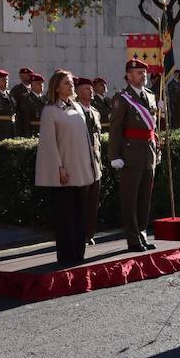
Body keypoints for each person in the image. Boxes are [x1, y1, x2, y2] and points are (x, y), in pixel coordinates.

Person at [36, 71, 102, 266]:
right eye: (66, 83)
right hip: (64, 171)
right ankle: (65, 256)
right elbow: (49, 144)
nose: (71, 86)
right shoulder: (50, 111)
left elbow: (87, 139)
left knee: (80, 214)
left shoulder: (78, 108)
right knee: (65, 215)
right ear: (56, 87)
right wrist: (59, 167)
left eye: (71, 83)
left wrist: (92, 164)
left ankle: (78, 254)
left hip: (82, 169)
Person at [108, 59, 160, 252]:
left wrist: (157, 148)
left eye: (144, 73)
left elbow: (152, 128)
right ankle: (133, 238)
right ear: (128, 76)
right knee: (130, 199)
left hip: (148, 153)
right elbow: (115, 130)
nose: (143, 76)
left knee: (145, 198)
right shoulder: (122, 98)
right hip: (130, 155)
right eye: (138, 73)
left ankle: (143, 233)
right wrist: (114, 155)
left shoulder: (150, 95)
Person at [75, 78, 105, 244]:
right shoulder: (74, 111)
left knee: (93, 201)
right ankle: (79, 234)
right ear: (78, 92)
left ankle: (89, 234)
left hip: (95, 162)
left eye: (91, 89)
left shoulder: (95, 111)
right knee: (80, 200)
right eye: (86, 89)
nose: (90, 91)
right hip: (80, 162)